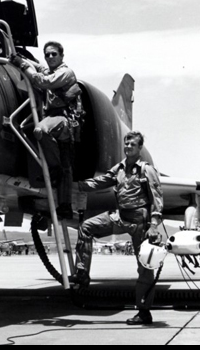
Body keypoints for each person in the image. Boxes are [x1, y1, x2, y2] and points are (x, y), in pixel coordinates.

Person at [72, 131, 163, 325]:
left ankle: (144, 311)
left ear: (140, 149)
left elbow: (157, 198)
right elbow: (101, 181)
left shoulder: (147, 170)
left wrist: (154, 225)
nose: (128, 146)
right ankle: (82, 274)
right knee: (87, 227)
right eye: (126, 143)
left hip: (141, 220)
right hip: (121, 215)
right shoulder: (119, 168)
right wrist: (79, 185)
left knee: (145, 267)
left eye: (132, 144)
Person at [9, 41, 81, 219]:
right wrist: (19, 56)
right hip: (56, 121)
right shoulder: (49, 69)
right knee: (66, 168)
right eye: (47, 54)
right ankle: (64, 205)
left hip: (64, 120)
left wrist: (22, 64)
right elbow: (39, 68)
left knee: (40, 130)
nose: (50, 57)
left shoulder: (65, 73)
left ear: (61, 56)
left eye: (53, 54)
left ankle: (54, 173)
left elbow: (42, 81)